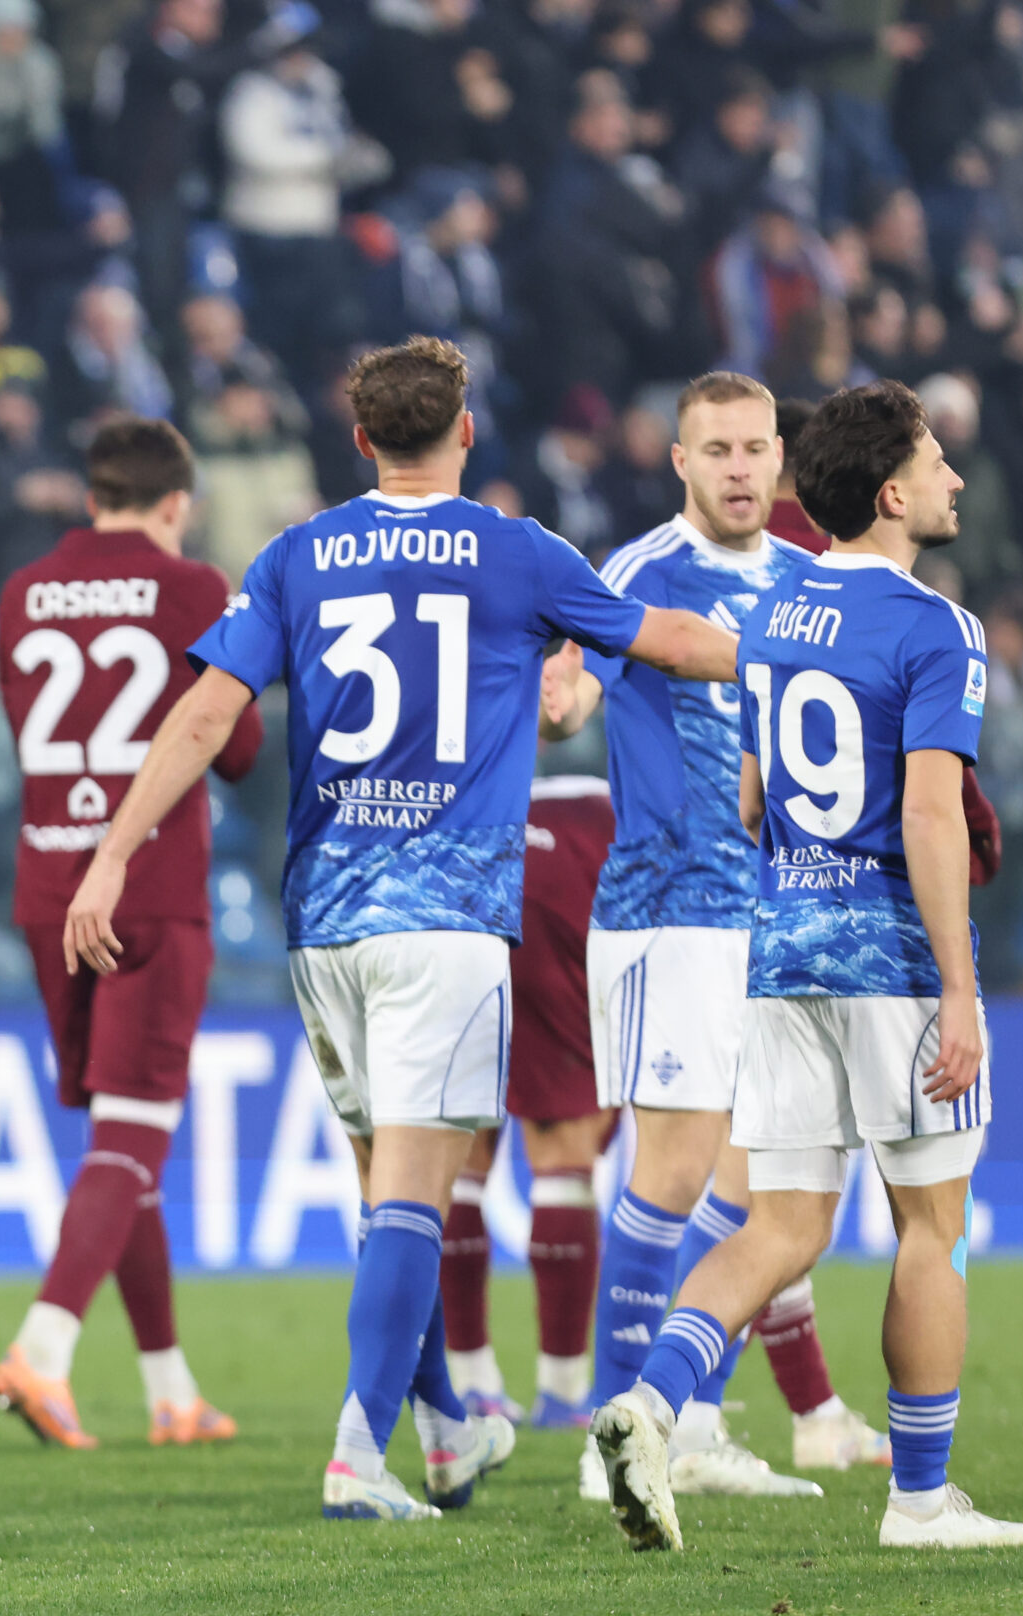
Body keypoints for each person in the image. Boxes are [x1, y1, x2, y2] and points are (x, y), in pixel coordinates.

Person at [65, 337, 739, 1521]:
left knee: (388, 1193)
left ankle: (442, 1429)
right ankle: (355, 1456)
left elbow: (206, 710)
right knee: (414, 1198)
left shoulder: (296, 553)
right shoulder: (518, 551)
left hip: (326, 918)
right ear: (466, 430)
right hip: (445, 920)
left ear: (360, 438)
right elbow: (671, 643)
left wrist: (113, 851)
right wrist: (821, 657)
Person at [591, 379, 1023, 1553]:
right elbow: (930, 817)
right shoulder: (937, 627)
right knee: (930, 1225)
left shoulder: (775, 611)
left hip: (779, 947)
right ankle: (920, 1500)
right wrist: (957, 989)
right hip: (891, 957)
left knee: (779, 1223)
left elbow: (750, 799)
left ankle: (648, 1402)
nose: (950, 479)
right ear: (889, 494)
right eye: (933, 463)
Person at [542, 372, 895, 1499]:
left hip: (777, 918)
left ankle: (686, 1425)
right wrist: (562, 695)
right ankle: (612, 1440)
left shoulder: (806, 579)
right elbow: (574, 687)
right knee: (675, 1168)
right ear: (680, 463)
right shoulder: (641, 572)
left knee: (758, 1187)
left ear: (780, 459)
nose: (739, 469)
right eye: (717, 451)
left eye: (754, 449)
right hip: (671, 911)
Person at [0, 417, 261, 1450]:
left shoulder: (21, 592)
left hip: (48, 884)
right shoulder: (191, 586)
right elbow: (238, 747)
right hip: (147, 882)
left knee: (115, 1136)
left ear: (91, 494)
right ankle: (43, 1347)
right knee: (134, 1133)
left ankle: (169, 1389)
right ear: (176, 503)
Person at [437, 773, 620, 1431]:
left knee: (458, 1150)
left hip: (467, 831)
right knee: (563, 1153)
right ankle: (563, 1392)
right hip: (587, 834)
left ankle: (470, 1381)